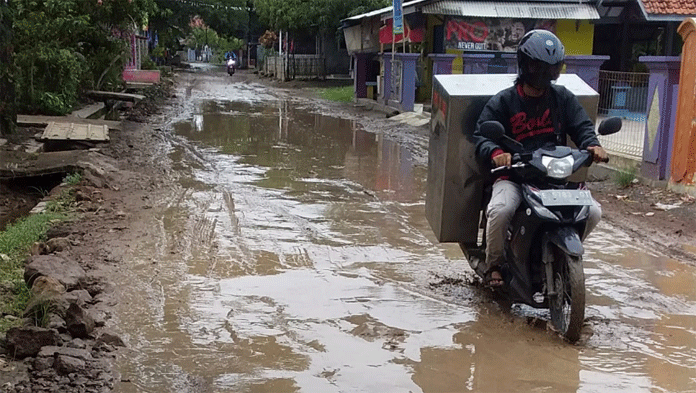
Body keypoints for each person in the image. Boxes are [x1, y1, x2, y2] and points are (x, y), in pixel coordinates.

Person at [472, 30, 608, 287]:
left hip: (554, 175)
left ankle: (563, 255)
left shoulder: (562, 98)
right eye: (539, 66)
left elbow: (582, 126)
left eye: (552, 68)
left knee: (592, 212)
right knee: (500, 211)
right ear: (525, 65)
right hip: (514, 175)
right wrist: (497, 153)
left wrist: (592, 145)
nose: (546, 73)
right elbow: (482, 135)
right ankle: (494, 265)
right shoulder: (503, 101)